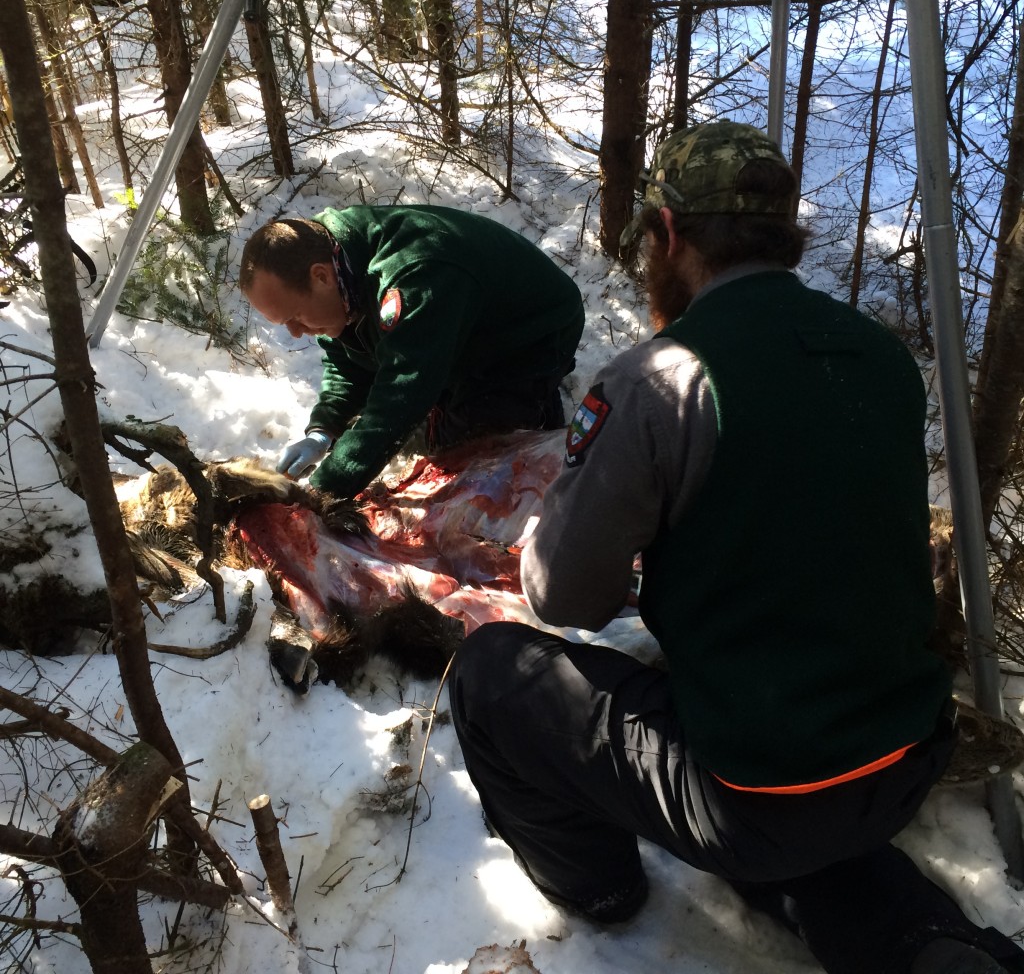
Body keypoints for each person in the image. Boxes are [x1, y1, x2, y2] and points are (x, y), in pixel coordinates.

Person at [447, 121, 1024, 974]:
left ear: (669, 234)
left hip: (757, 789)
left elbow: (564, 598)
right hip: (906, 751)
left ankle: (602, 892)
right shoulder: (879, 356)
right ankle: (920, 944)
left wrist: (558, 531)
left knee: (494, 674)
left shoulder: (662, 376)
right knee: (797, 804)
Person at [239, 205, 585, 498]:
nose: (297, 333)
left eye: (295, 317)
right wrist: (323, 429)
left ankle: (535, 414)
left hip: (529, 333)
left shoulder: (415, 274)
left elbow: (403, 393)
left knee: (471, 465)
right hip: (455, 323)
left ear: (321, 278)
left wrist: (325, 488)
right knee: (426, 430)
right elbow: (348, 362)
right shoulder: (333, 267)